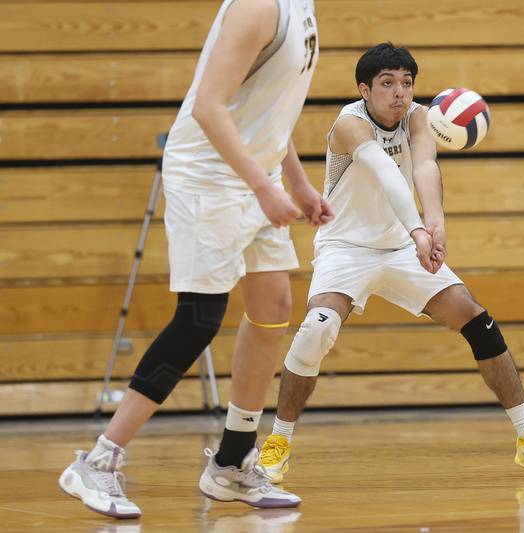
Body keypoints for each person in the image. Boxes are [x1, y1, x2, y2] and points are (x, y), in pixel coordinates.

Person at [58, 0, 331, 518]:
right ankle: (98, 460)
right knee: (199, 319)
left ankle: (230, 464)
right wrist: (263, 187)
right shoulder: (256, 8)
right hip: (209, 176)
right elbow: (209, 105)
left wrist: (295, 182)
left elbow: (269, 106)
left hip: (257, 173)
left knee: (272, 308)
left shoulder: (302, 6)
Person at [257, 43, 524, 483]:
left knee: (477, 321)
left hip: (401, 246)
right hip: (346, 247)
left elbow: (424, 166)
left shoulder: (420, 117)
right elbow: (386, 173)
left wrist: (435, 223)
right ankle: (278, 442)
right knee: (317, 327)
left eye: (406, 82)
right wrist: (419, 229)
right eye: (387, 83)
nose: (399, 92)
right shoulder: (349, 124)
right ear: (364, 90)